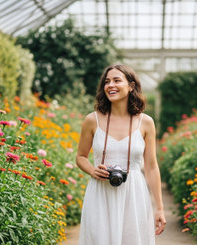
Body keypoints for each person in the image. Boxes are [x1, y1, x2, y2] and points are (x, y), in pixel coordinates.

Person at [76, 64, 166, 245]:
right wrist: (93, 171)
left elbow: (151, 167)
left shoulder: (146, 122)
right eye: (107, 82)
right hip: (100, 193)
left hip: (134, 193)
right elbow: (81, 157)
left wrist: (160, 208)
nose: (111, 85)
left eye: (117, 80)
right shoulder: (92, 120)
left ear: (131, 86)